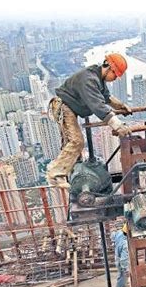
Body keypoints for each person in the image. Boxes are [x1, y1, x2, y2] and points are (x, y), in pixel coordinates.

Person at [46, 53, 133, 188]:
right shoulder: (89, 79)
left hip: (69, 106)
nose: (115, 78)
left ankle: (68, 170)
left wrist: (121, 106)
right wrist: (118, 126)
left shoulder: (98, 78)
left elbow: (106, 98)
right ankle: (55, 175)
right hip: (64, 106)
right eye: (115, 75)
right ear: (109, 68)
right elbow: (98, 106)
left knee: (72, 142)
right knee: (77, 141)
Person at [113, 223, 129, 287]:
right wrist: (125, 268)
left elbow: (113, 235)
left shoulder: (119, 233)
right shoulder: (125, 243)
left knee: (120, 274)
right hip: (120, 260)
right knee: (122, 274)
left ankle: (123, 283)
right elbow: (124, 259)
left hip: (117, 256)